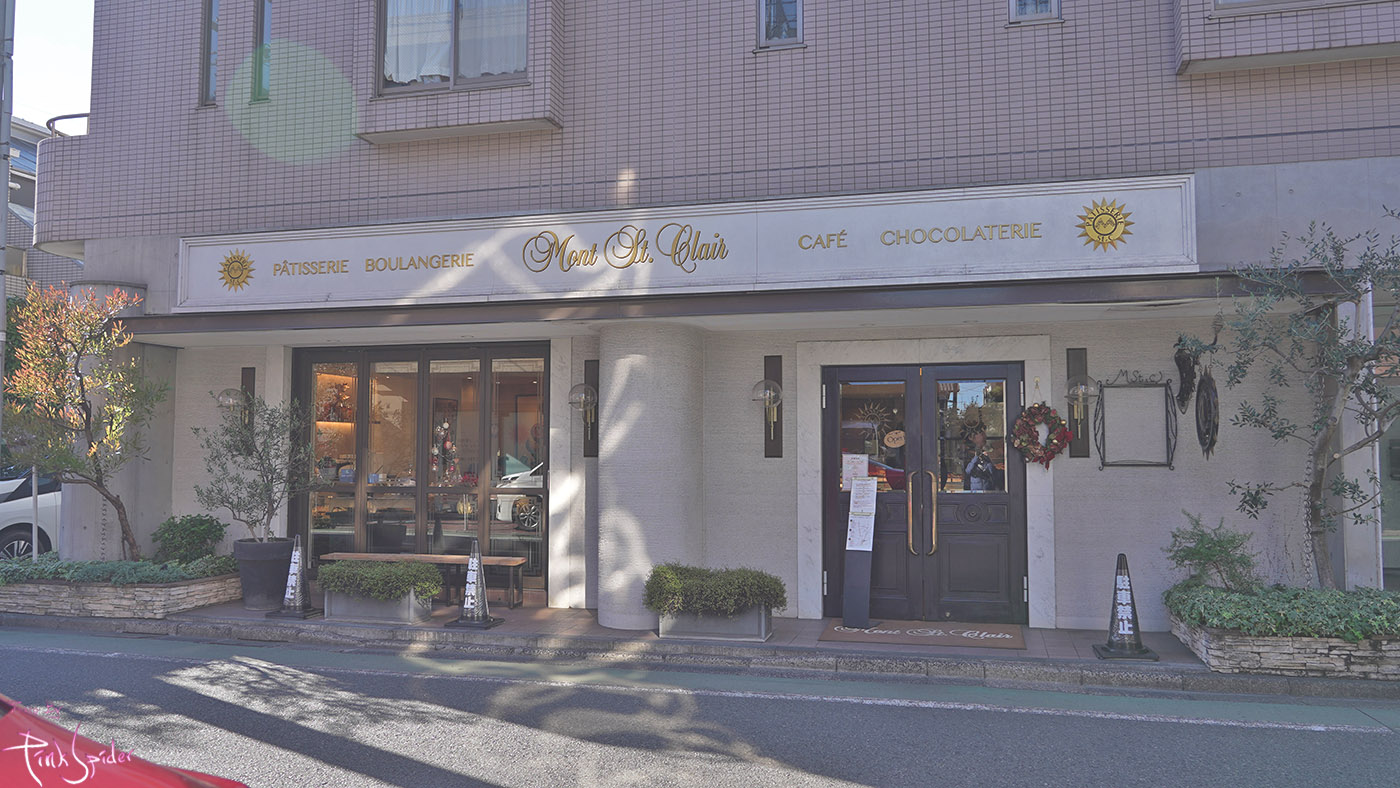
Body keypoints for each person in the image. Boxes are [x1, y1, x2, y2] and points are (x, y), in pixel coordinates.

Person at [964, 427, 1002, 492]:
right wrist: (976, 457)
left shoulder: (987, 451)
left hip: (986, 489)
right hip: (976, 489)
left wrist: (988, 459)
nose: (985, 436)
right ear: (974, 438)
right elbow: (968, 470)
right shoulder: (969, 453)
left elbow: (992, 473)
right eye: (982, 434)